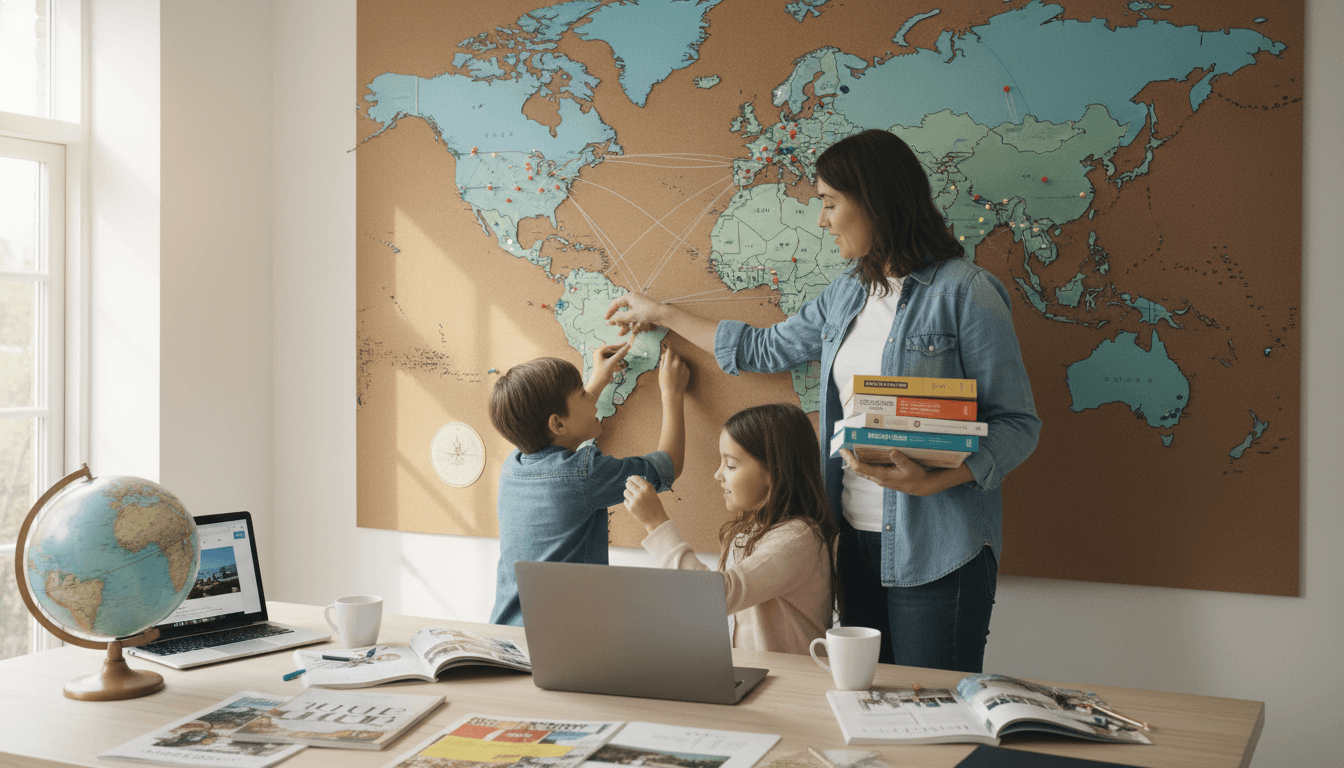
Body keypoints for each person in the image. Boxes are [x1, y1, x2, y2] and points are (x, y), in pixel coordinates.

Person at [603, 128, 1040, 672]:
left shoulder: (966, 293)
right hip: (851, 541)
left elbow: (1018, 425)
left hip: (939, 550)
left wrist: (932, 480)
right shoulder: (847, 294)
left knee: (937, 711)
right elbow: (766, 348)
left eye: (830, 203)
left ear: (875, 200)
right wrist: (661, 312)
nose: (822, 219)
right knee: (865, 701)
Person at [487, 342, 691, 626]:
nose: (591, 398)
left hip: (507, 629)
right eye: (582, 394)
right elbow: (668, 466)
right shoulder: (584, 475)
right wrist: (672, 393)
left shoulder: (513, 466)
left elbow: (562, 432)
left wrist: (599, 379)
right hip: (558, 639)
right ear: (557, 424)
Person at [621, 402, 838, 655]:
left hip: (788, 684)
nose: (718, 474)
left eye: (731, 465)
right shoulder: (747, 531)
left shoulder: (797, 539)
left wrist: (655, 523)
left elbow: (715, 597)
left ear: (774, 472)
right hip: (754, 675)